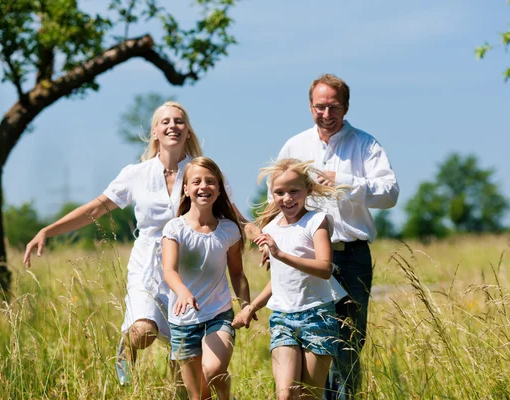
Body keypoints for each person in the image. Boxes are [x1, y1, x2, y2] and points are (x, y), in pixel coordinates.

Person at [23, 101, 244, 386]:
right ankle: (126, 348)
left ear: (188, 131)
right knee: (143, 329)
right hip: (149, 266)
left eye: (179, 121)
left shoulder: (199, 172)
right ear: (154, 131)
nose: (172, 126)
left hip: (190, 270)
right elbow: (96, 208)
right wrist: (49, 231)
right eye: (165, 122)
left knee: (185, 373)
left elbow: (232, 213)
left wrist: (263, 236)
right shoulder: (135, 174)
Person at [274, 74, 399, 398]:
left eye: (333, 107)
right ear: (310, 105)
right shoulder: (295, 145)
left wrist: (342, 180)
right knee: (308, 339)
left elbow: (390, 194)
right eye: (319, 107)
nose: (326, 114)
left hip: (351, 254)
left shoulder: (365, 144)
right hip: (304, 257)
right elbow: (278, 195)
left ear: (345, 106)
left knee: (347, 342)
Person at [233, 158, 347, 400]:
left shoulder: (317, 221)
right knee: (286, 394)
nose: (287, 198)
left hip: (318, 315)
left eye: (294, 191)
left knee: (309, 395)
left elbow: (325, 268)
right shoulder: (272, 229)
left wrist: (281, 254)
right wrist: (252, 307)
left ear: (308, 190)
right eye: (279, 192)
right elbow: (279, 280)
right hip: (283, 318)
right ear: (272, 195)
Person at [162, 156, 251, 400]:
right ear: (186, 188)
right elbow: (169, 270)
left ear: (219, 188)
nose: (204, 186)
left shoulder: (229, 230)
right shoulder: (174, 228)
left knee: (213, 370)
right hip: (183, 321)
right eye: (197, 181)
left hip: (218, 314)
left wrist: (246, 305)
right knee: (199, 395)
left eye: (210, 181)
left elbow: (237, 273)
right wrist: (183, 291)